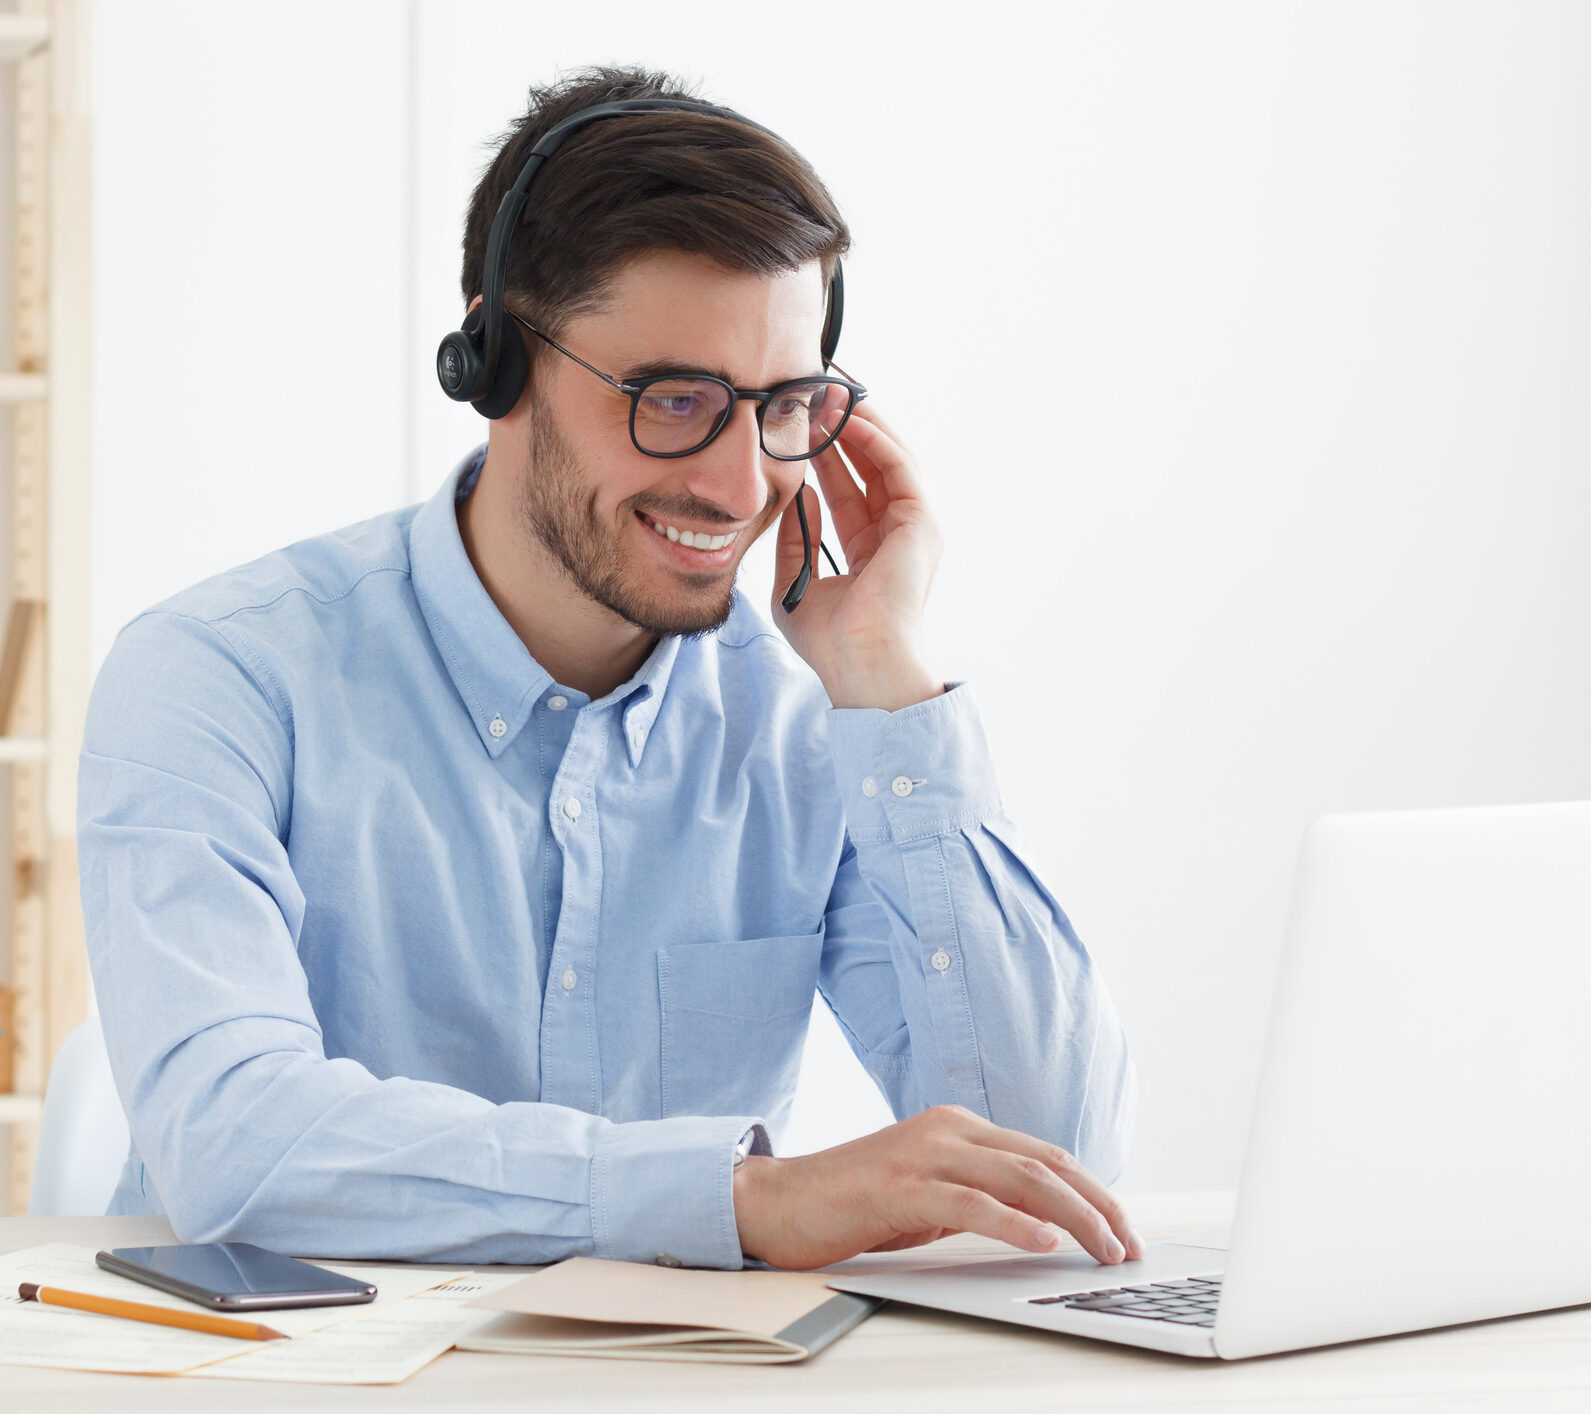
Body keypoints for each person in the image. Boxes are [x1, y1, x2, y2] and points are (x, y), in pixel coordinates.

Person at [77, 65, 1139, 1271]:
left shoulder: (809, 721)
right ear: (493, 362)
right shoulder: (217, 677)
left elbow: (1055, 1166)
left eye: (782, 402)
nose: (743, 486)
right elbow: (235, 1139)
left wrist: (882, 672)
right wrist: (740, 1201)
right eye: (674, 399)